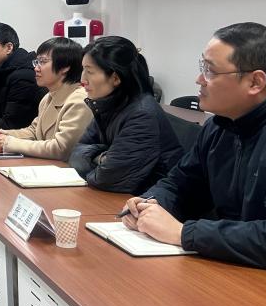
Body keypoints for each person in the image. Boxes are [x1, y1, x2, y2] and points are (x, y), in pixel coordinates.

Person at [122, 23, 266, 288]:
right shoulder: (221, 125)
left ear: (255, 82)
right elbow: (181, 184)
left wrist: (184, 233)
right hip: (240, 270)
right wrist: (149, 204)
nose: (199, 80)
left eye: (210, 71)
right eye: (202, 67)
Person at [69, 36, 182, 194]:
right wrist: (103, 157)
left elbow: (107, 178)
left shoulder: (141, 115)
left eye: (89, 71)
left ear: (115, 78)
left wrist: (98, 157)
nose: (83, 79)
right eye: (83, 70)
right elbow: (75, 155)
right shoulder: (109, 104)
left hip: (148, 200)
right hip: (124, 196)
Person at [0, 37, 92, 161]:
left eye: (43, 62)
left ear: (65, 67)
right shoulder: (48, 96)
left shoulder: (80, 100)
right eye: (36, 62)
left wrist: (10, 142)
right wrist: (6, 134)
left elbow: (61, 149)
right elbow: (34, 131)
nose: (36, 68)